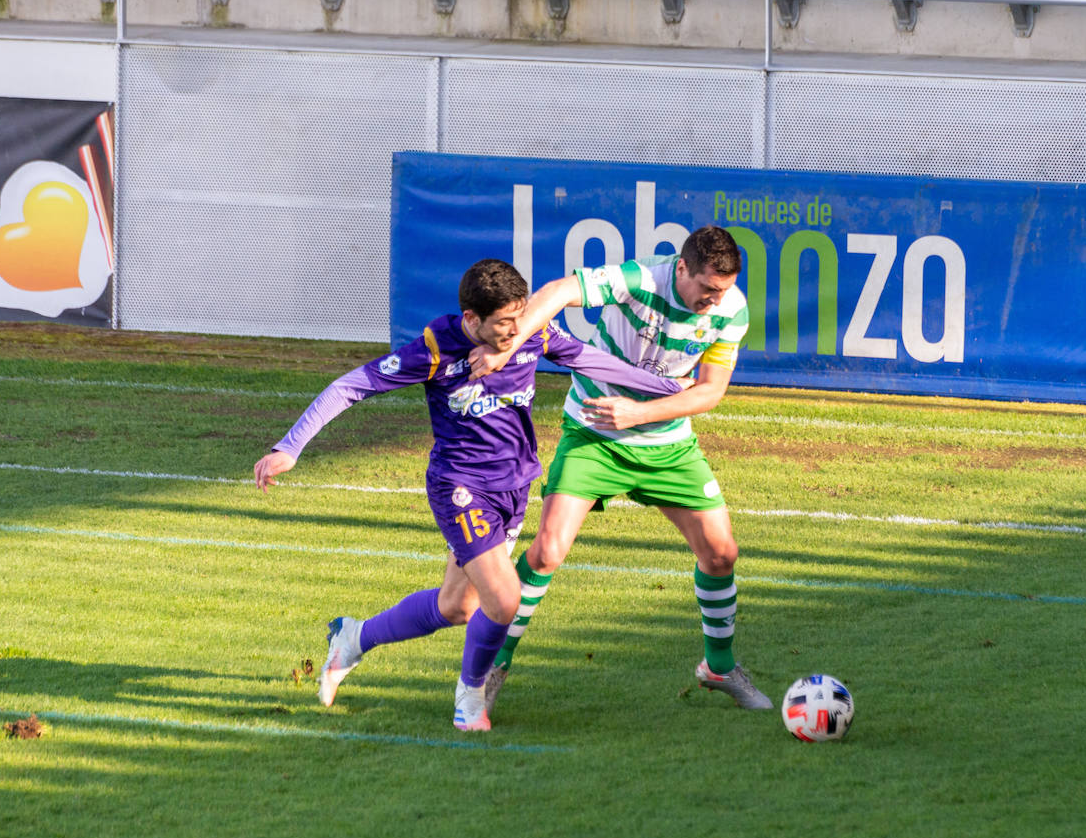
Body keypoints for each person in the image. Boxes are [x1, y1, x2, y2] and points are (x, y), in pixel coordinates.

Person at [253, 259, 685, 732]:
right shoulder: (436, 350)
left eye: (520, 317)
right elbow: (351, 386)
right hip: (460, 487)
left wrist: (665, 389)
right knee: (503, 601)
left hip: (514, 488)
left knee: (457, 607)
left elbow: (589, 358)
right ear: (472, 319)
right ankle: (469, 699)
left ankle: (354, 638)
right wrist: (290, 446)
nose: (515, 330)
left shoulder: (528, 334)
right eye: (504, 323)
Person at [469, 225, 772, 712]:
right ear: (681, 269)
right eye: (709, 289)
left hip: (666, 445)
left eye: (725, 289)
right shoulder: (640, 279)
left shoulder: (731, 310)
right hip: (594, 434)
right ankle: (490, 669)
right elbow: (560, 291)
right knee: (547, 552)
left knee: (721, 555)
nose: (716, 300)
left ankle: (719, 667)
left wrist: (639, 414)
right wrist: (511, 341)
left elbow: (711, 391)